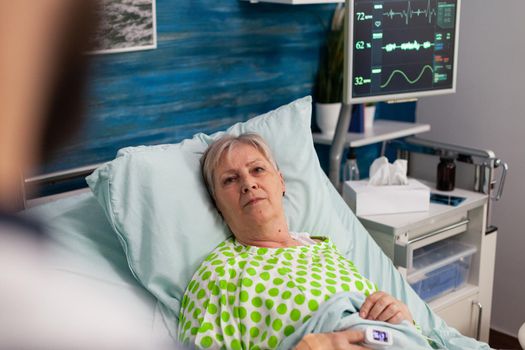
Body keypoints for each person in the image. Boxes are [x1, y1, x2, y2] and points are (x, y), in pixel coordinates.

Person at [178, 133, 415, 350]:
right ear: (217, 204)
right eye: (230, 180)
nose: (248, 184)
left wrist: (403, 318)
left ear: (281, 182)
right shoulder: (219, 274)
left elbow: (391, 325)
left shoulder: (323, 247)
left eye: (258, 169)